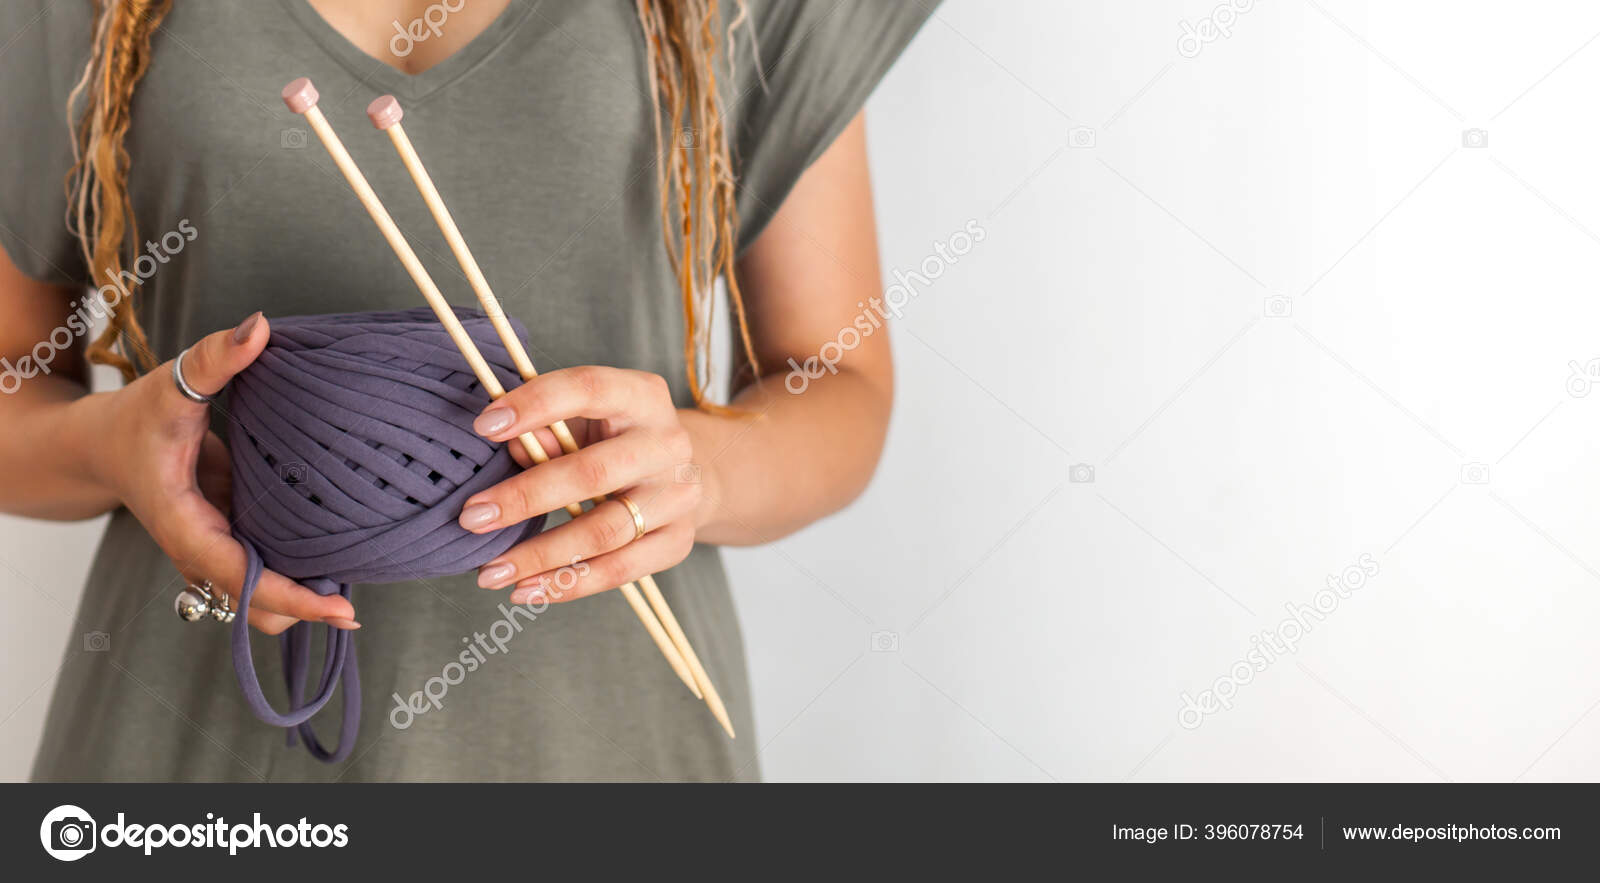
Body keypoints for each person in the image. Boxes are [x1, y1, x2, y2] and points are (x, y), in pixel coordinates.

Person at [0, 0, 932, 781]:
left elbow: (836, 381)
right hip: (190, 757)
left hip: (603, 746)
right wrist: (111, 447)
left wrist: (700, 470)